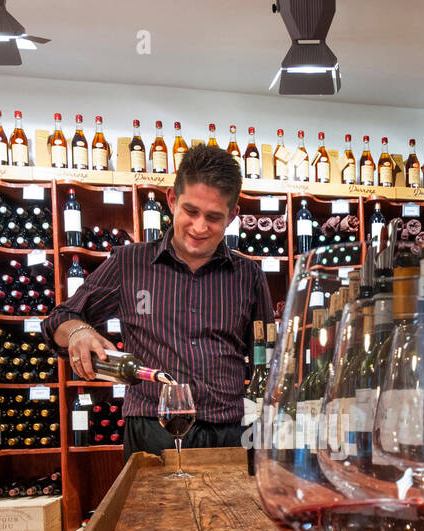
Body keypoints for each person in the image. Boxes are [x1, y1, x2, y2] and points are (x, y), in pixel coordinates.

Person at [42, 144, 272, 460]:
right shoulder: (128, 263)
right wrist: (77, 333)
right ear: (172, 200)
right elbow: (60, 317)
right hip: (154, 430)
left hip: (229, 433)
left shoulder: (249, 275)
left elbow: (266, 360)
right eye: (191, 211)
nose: (199, 227)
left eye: (214, 217)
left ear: (232, 216)